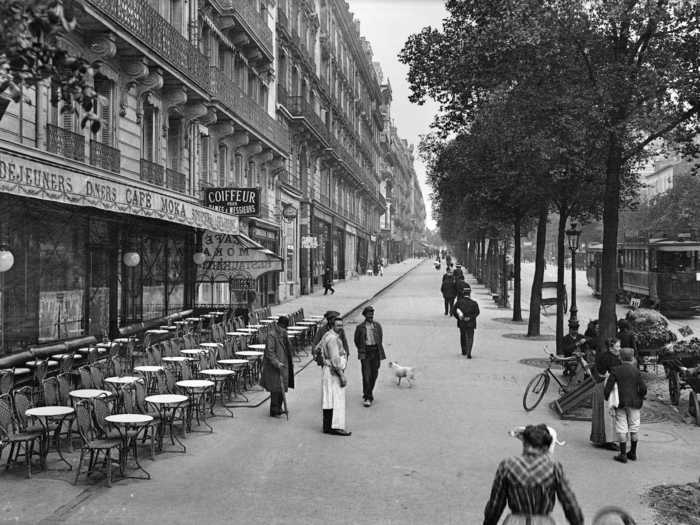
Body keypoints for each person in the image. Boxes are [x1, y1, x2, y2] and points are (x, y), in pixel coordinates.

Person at [483, 424, 584, 525]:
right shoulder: (553, 468)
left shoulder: (507, 465)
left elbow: (495, 505)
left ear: (525, 444)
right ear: (546, 448)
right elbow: (569, 503)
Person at [604, 347, 647, 462]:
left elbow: (608, 388)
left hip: (621, 403)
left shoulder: (615, 370)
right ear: (632, 358)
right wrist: (640, 396)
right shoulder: (636, 371)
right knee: (634, 428)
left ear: (620, 357)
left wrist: (608, 399)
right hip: (635, 403)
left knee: (622, 427)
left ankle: (622, 455)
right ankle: (632, 453)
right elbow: (643, 388)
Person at [320, 317, 351, 436]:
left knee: (328, 398)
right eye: (338, 325)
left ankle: (327, 426)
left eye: (342, 325)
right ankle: (336, 426)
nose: (341, 328)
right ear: (333, 326)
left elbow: (320, 349)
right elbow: (335, 360)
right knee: (337, 399)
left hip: (326, 370)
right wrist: (342, 375)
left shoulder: (326, 335)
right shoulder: (333, 339)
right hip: (333, 372)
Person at [590, 338, 622, 450]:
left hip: (600, 386)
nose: (619, 348)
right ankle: (609, 441)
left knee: (600, 413)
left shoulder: (604, 356)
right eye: (618, 346)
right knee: (608, 413)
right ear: (611, 347)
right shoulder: (612, 359)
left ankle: (599, 438)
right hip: (607, 388)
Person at [260, 316, 294, 418]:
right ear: (279, 326)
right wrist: (277, 363)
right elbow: (270, 352)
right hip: (274, 367)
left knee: (282, 387)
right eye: (283, 328)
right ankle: (274, 409)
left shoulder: (284, 334)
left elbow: (288, 348)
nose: (284, 330)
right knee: (276, 388)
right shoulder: (272, 335)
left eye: (285, 328)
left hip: (284, 364)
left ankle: (279, 407)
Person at [353, 305, 386, 407]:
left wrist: (377, 349)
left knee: (374, 374)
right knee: (366, 375)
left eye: (372, 314)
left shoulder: (377, 326)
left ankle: (368, 391)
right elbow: (356, 340)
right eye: (369, 314)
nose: (371, 316)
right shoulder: (360, 328)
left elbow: (380, 338)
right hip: (366, 352)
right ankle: (368, 397)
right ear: (365, 315)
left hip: (376, 352)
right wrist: (362, 350)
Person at [452, 284, 480, 358]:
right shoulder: (474, 303)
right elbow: (477, 312)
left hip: (462, 322)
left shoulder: (459, 302)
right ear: (470, 294)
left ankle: (464, 350)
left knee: (463, 336)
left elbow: (454, 311)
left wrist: (459, 318)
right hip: (471, 323)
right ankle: (469, 351)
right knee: (470, 336)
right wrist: (471, 318)